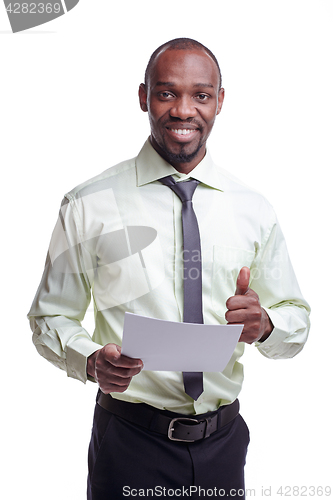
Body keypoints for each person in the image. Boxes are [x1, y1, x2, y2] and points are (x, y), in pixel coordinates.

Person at [28, 38, 310, 499]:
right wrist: (91, 361)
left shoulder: (253, 210)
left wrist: (266, 325)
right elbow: (50, 317)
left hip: (223, 445)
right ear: (143, 97)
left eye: (200, 95)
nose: (183, 110)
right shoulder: (88, 204)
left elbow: (297, 320)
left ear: (220, 101)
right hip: (129, 444)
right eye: (166, 93)